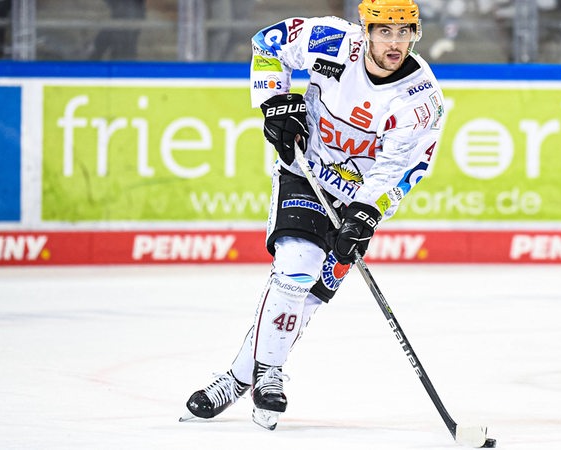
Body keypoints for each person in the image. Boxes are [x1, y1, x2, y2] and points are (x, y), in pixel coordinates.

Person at [181, 0, 444, 431]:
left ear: (416, 33)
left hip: (357, 198)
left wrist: (365, 216)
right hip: (306, 171)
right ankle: (270, 373)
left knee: (310, 297)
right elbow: (268, 45)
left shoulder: (420, 98)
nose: (394, 42)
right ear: (366, 30)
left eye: (403, 32)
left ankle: (238, 377)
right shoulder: (332, 40)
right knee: (296, 266)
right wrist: (274, 102)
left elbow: (400, 169)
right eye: (384, 32)